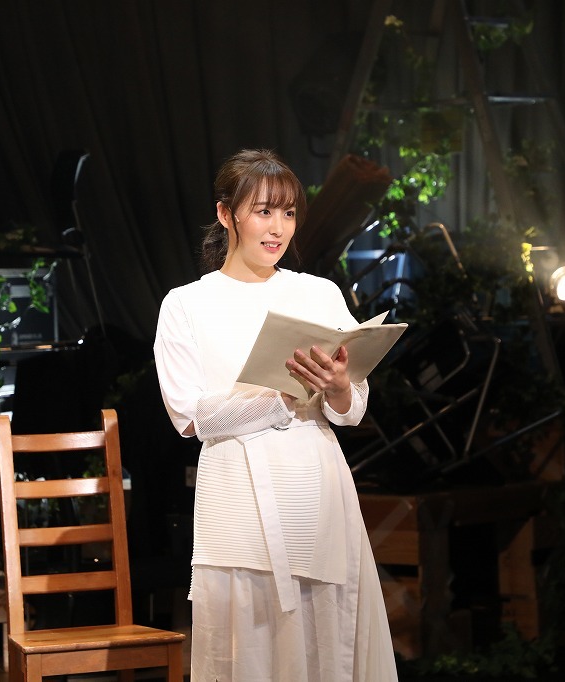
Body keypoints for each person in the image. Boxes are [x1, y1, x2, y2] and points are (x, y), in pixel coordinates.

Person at [153, 148, 399, 681]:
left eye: (287, 213)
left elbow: (353, 410)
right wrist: (283, 397)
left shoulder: (318, 293)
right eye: (263, 211)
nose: (278, 228)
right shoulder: (186, 304)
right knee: (248, 652)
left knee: (328, 648)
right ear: (226, 214)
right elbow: (192, 418)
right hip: (237, 498)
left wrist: (338, 386)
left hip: (317, 490)